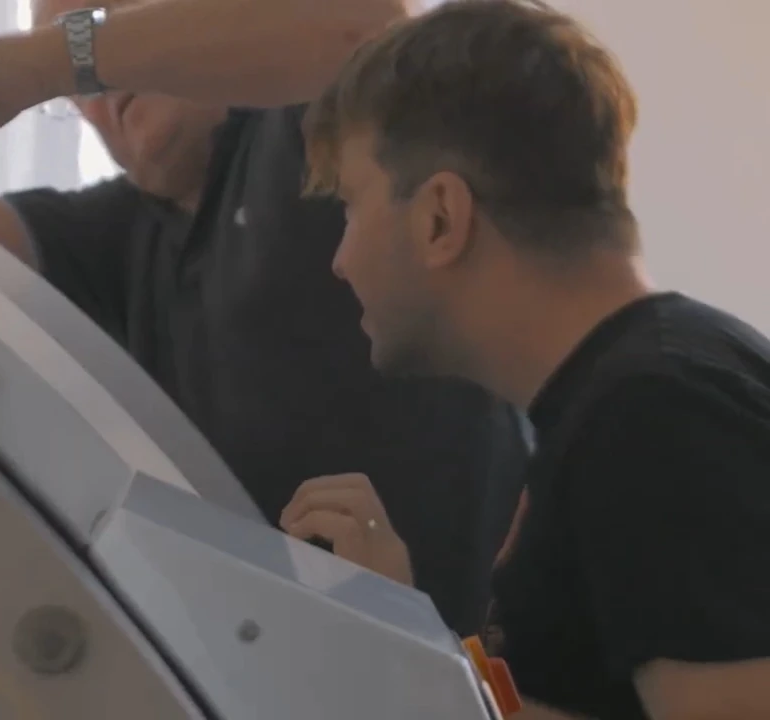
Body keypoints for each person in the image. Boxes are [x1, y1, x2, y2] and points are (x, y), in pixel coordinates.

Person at [0, 0, 531, 637]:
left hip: (488, 678)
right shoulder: (122, 234)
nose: (92, 95)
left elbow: (362, 30)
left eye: (104, 19)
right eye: (75, 96)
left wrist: (46, 60)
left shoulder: (307, 128)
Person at [274, 1, 770, 718]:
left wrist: (417, 672)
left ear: (441, 216)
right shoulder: (631, 395)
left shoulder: (656, 417)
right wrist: (415, 643)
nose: (340, 261)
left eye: (351, 205)